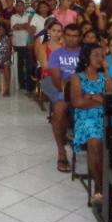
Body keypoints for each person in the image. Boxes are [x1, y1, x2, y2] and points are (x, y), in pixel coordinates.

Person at [70, 43, 112, 203]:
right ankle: (99, 187)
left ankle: (110, 184)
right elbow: (77, 102)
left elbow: (110, 97)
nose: (100, 58)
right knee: (95, 142)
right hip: (85, 118)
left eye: (102, 55)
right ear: (86, 57)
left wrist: (91, 97)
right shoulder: (77, 77)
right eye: (96, 55)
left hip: (106, 116)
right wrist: (98, 99)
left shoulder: (104, 76)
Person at [40, 24, 81, 172]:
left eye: (75, 35)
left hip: (83, 91)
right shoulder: (57, 54)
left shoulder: (84, 53)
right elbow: (57, 80)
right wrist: (69, 88)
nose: (71, 38)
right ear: (64, 36)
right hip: (63, 90)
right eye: (68, 35)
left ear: (79, 37)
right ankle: (61, 152)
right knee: (59, 109)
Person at [11, 0, 34, 93]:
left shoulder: (28, 16)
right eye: (18, 6)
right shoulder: (13, 16)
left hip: (26, 44)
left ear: (24, 7)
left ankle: (29, 84)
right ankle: (21, 84)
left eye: (21, 5)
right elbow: (14, 27)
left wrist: (21, 26)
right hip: (17, 44)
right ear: (16, 7)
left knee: (29, 65)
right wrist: (24, 25)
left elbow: (29, 27)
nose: (20, 7)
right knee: (19, 66)